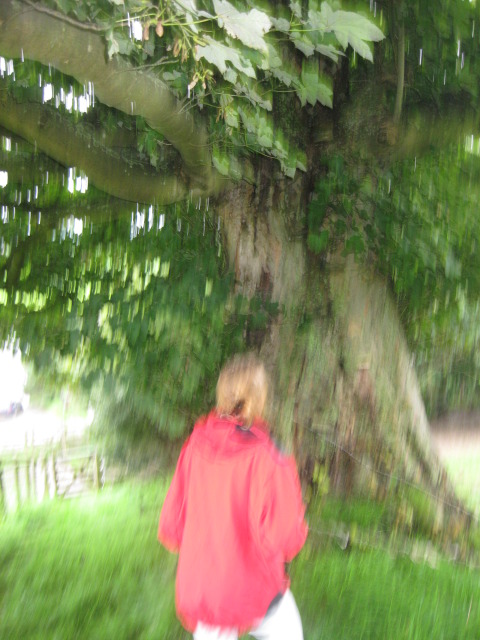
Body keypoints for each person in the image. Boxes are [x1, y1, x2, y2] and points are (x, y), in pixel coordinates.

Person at [158, 353, 308, 640]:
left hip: (204, 592)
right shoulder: (270, 455)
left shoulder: (194, 446)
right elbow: (287, 537)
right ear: (260, 398)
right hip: (255, 591)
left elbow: (172, 527)